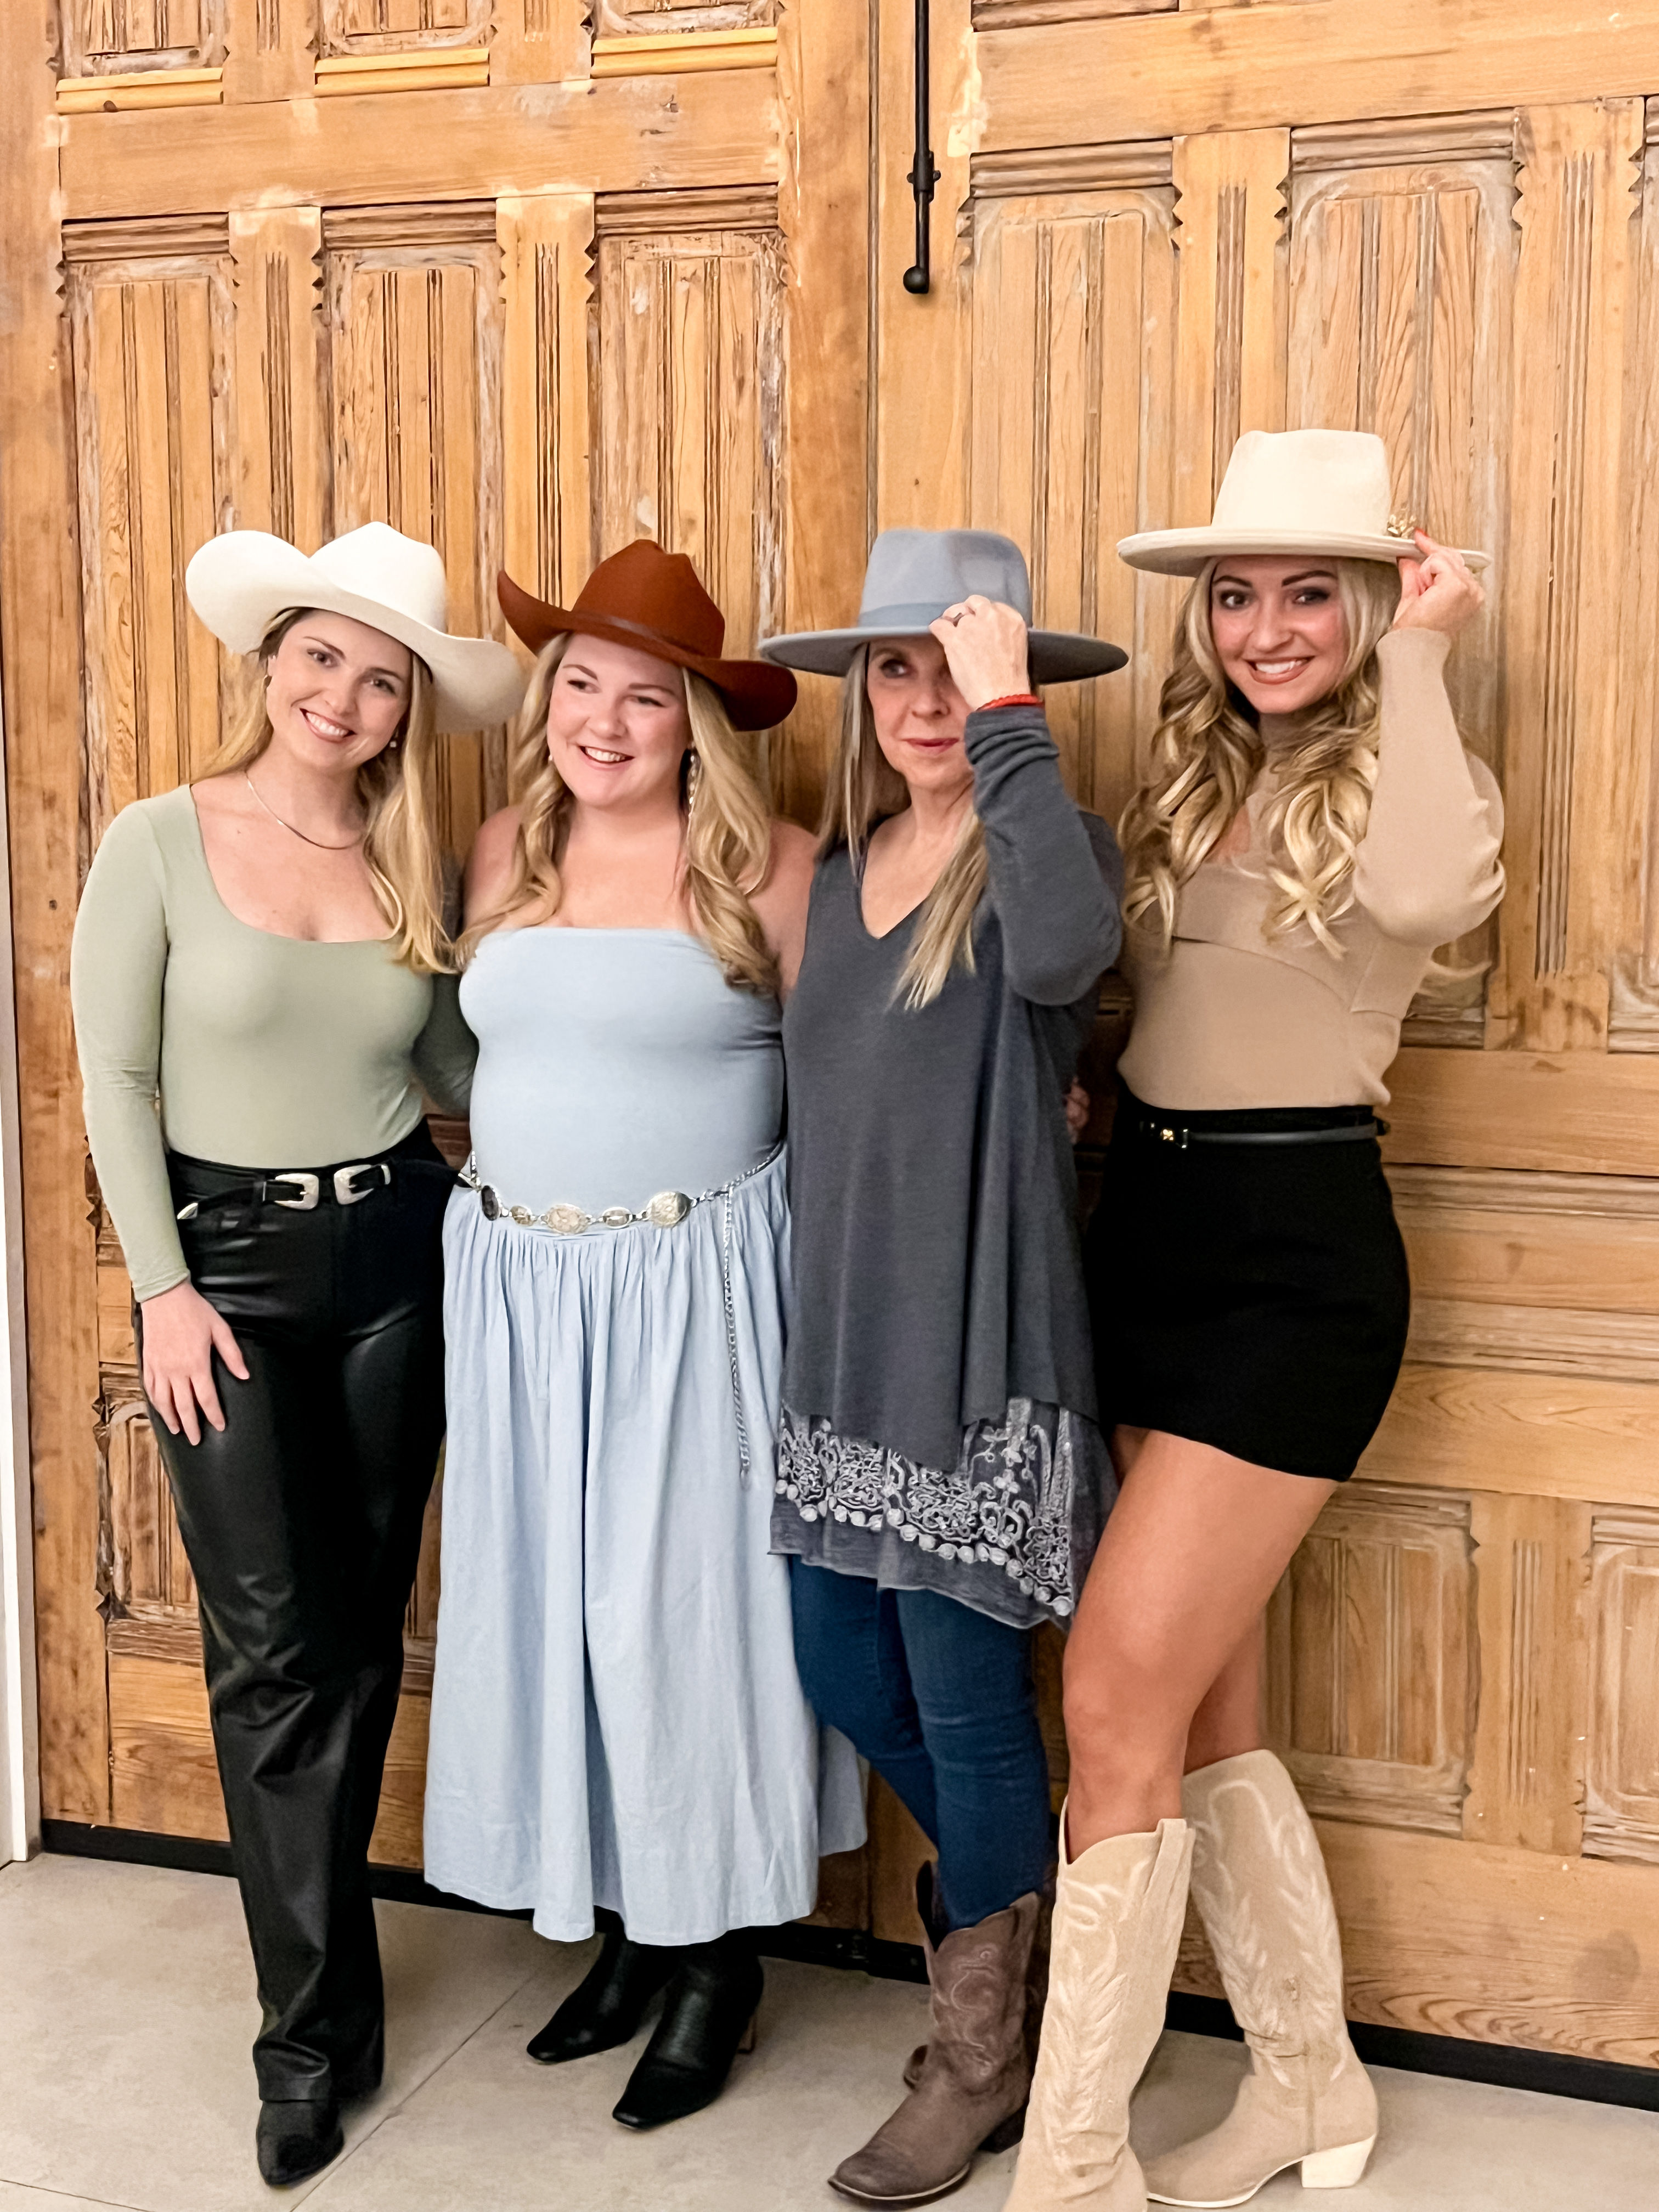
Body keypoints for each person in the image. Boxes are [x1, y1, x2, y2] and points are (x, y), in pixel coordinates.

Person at [1007, 429, 1505, 2211]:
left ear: (1369, 605)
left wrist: (1428, 652)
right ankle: (1305, 2080)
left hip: (1297, 1266)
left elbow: (1431, 904)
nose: (1268, 628)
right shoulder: (1192, 776)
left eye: (1312, 594)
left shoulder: (1412, 769)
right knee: (1196, 1705)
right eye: (1236, 595)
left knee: (1108, 1696)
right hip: (1145, 1233)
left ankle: (1071, 2169)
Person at [69, 522, 523, 2187]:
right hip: (231, 1281)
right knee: (272, 1648)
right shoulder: (158, 840)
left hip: (402, 1256)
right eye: (322, 657)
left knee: (360, 1637)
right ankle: (308, 2039)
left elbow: (466, 1068)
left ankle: (331, 1989)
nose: (345, 696)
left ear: (407, 711)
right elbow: (116, 1080)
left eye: (383, 679)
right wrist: (163, 1292)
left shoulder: (413, 868)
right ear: (272, 665)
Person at [422, 540, 864, 2132]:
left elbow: (854, 1092)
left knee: (687, 1614)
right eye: (582, 687)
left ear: (699, 725)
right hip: (525, 1298)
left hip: (700, 1295)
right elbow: (464, 1062)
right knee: (559, 1604)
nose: (604, 723)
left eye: (647, 698)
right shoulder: (502, 855)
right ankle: (622, 1926)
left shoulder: (778, 871)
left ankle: (715, 1960)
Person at [759, 529, 1125, 2207]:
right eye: (893, 669)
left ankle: (978, 2054)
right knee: (847, 1673)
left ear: (1010, 684)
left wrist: (1003, 719)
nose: (921, 699)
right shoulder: (842, 876)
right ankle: (1024, 1932)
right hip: (844, 1352)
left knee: (972, 1708)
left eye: (954, 667)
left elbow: (1061, 963)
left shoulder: (1046, 841)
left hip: (977, 1352)